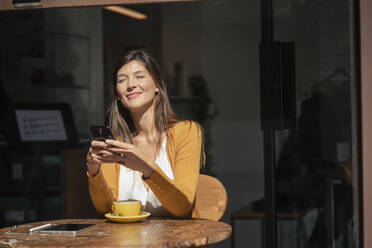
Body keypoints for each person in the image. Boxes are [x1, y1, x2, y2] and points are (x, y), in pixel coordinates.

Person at [86, 49, 204, 218]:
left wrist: (145, 167)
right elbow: (105, 209)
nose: (130, 84)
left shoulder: (186, 131)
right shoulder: (116, 143)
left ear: (157, 85)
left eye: (139, 76)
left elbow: (182, 207)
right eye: (122, 80)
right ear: (118, 95)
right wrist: (94, 170)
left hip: (175, 242)